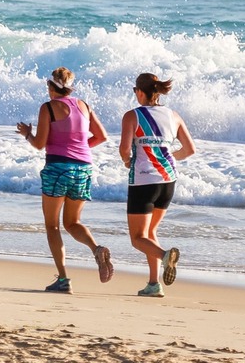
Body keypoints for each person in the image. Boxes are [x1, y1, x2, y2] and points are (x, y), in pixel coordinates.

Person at [16, 67, 113, 293]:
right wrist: (78, 150)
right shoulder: (84, 105)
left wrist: (27, 134)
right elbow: (102, 136)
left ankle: (63, 279)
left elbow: (39, 144)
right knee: (73, 223)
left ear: (51, 87)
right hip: (83, 169)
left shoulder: (48, 107)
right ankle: (96, 249)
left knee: (52, 225)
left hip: (58, 168)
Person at [119, 72, 196, 298]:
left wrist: (127, 161)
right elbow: (189, 149)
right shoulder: (173, 115)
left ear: (141, 92)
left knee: (137, 238)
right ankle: (153, 284)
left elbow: (124, 149)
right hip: (168, 181)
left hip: (144, 181)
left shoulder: (132, 116)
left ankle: (165, 256)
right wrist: (168, 158)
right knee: (150, 231)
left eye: (135, 91)